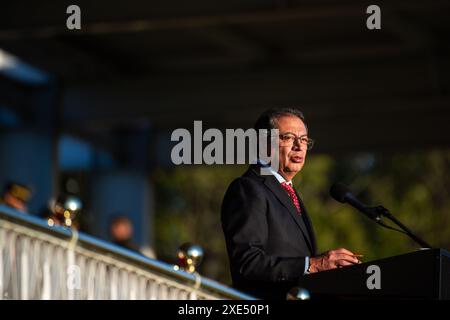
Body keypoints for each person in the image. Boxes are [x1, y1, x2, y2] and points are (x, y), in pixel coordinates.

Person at [221, 107, 361, 299]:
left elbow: (294, 257)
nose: (299, 146)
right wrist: (313, 264)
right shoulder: (248, 188)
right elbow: (248, 263)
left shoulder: (287, 190)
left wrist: (328, 265)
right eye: (287, 138)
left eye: (303, 140)